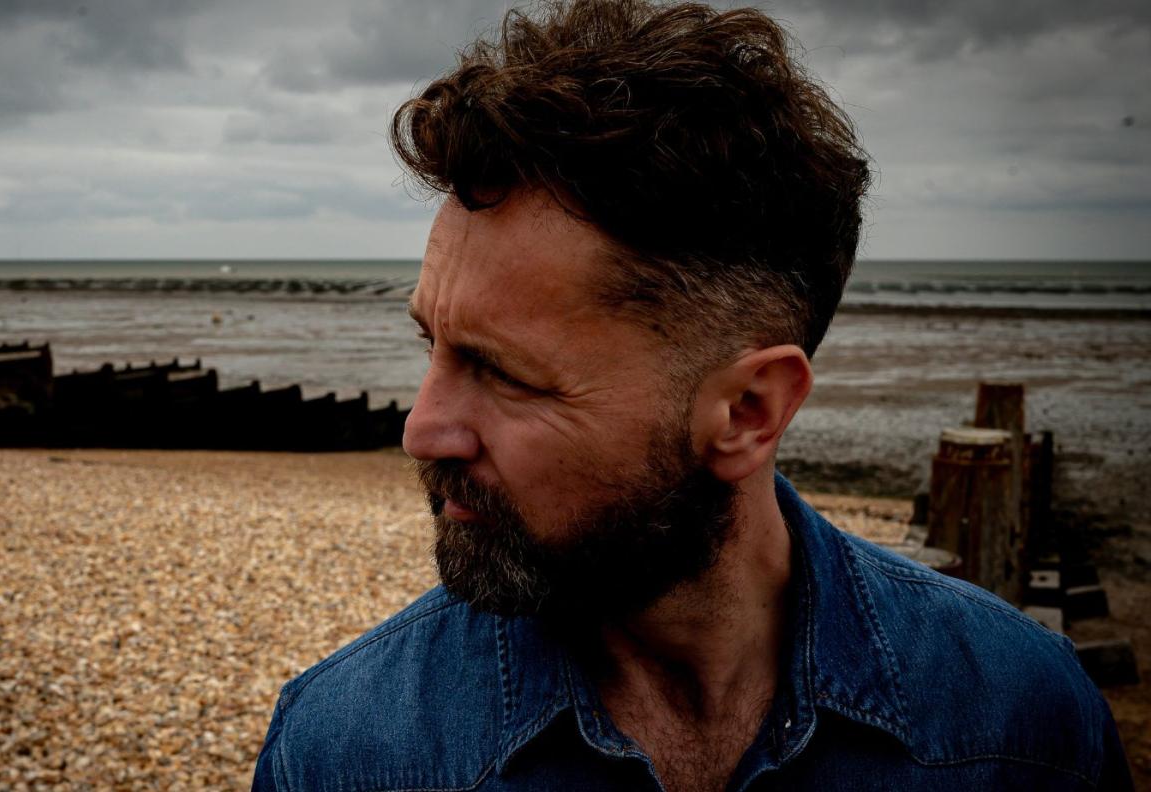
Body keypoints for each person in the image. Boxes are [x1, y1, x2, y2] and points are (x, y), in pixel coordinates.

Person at [251, 1, 1132, 789]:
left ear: (750, 411)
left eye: (505, 372)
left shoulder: (1018, 725)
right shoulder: (347, 750)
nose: (421, 430)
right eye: (431, 345)